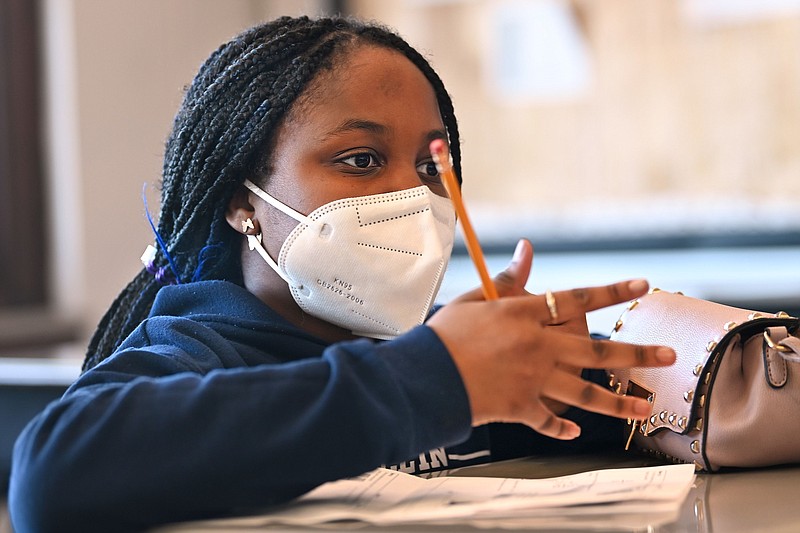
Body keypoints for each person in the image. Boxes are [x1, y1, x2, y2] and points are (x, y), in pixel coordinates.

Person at [8, 15, 674, 533]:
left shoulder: (439, 363)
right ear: (245, 203)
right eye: (359, 159)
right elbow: (50, 479)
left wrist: (674, 376)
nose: (409, 200)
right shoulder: (197, 356)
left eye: (428, 169)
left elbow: (662, 416)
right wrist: (439, 379)